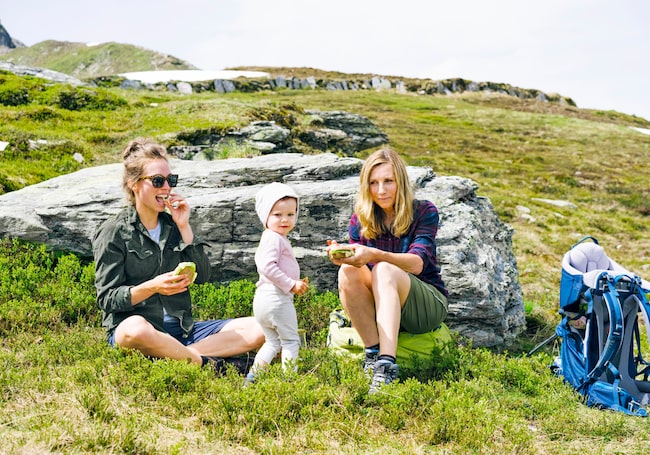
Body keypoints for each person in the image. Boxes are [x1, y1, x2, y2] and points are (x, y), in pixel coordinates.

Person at [92, 138, 264, 373]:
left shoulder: (174, 226)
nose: (166, 188)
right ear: (134, 184)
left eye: (170, 180)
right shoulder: (114, 231)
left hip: (184, 331)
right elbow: (107, 299)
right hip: (141, 329)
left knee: (259, 328)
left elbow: (203, 276)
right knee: (134, 330)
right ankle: (208, 364)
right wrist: (152, 286)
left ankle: (183, 356)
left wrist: (184, 227)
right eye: (157, 181)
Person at [327, 147, 448, 394]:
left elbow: (417, 263)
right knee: (347, 272)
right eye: (373, 183)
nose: (381, 190)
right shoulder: (360, 219)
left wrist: (375, 255)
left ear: (400, 182)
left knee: (384, 269)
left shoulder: (424, 211)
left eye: (388, 181)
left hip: (424, 305)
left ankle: (386, 365)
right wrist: (344, 256)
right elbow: (358, 272)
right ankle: (372, 353)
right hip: (380, 304)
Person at [244, 182, 309, 386]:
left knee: (272, 342)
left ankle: (252, 378)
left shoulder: (274, 237)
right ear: (266, 216)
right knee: (290, 341)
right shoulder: (273, 238)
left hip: (263, 300)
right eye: (277, 215)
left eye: (291, 214)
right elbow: (266, 266)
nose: (285, 220)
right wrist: (291, 284)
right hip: (277, 298)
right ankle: (289, 383)